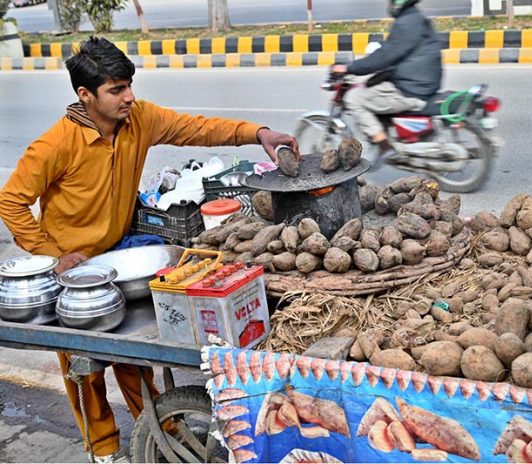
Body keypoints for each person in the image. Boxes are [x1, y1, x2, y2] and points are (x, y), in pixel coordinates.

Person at [0, 37, 298, 463]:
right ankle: (102, 449)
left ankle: (161, 430)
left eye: (129, 85)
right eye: (116, 89)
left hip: (121, 257)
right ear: (85, 95)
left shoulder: (140, 119)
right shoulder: (54, 146)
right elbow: (10, 200)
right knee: (83, 370)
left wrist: (258, 133)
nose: (129, 97)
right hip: (74, 272)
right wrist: (52, 255)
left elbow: (197, 127)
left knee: (132, 356)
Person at [331, 0, 443, 158]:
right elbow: (397, 51)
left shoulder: (406, 23)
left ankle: (385, 147)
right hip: (422, 82)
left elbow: (386, 56)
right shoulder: (415, 18)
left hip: (411, 88)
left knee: (354, 97)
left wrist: (349, 68)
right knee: (374, 87)